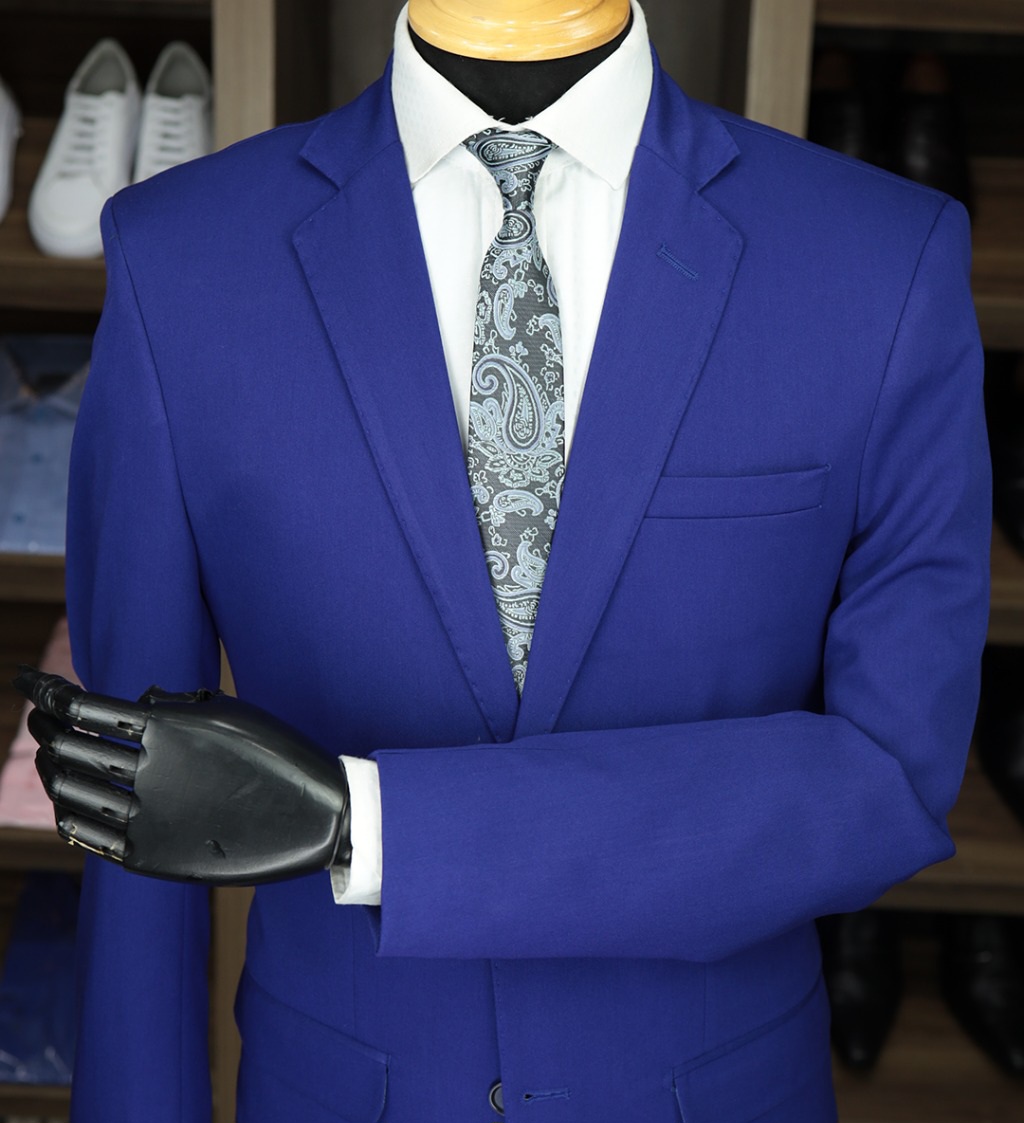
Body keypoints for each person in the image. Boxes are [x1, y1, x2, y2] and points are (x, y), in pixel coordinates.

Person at [18, 2, 991, 1121]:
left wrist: (375, 825)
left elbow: (889, 771)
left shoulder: (881, 261)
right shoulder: (179, 258)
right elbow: (135, 801)